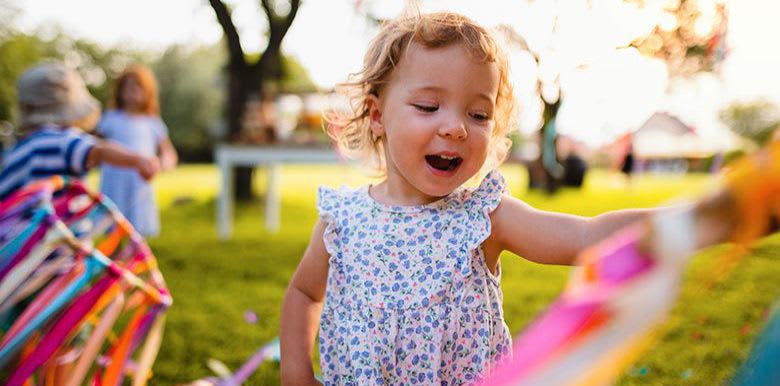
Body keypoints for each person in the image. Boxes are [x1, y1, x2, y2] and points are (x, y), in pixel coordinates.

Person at [279, 12, 656, 385]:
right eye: (428, 107)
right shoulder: (342, 221)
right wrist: (295, 371)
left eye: (478, 114)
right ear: (378, 116)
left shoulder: (483, 219)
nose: (456, 128)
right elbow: (303, 292)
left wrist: (691, 217)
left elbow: (584, 238)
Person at [0, 62, 159, 200]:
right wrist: (138, 160)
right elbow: (99, 151)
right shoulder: (62, 141)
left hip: (23, 233)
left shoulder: (18, 150)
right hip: (60, 230)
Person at [97, 64, 177, 237]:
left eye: (137, 85)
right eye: (127, 85)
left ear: (148, 91)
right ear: (119, 90)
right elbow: (95, 146)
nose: (132, 90)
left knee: (137, 233)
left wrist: (161, 164)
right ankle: (114, 261)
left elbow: (168, 153)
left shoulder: (152, 122)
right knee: (113, 230)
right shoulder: (110, 118)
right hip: (114, 181)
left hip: (139, 184)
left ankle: (134, 262)